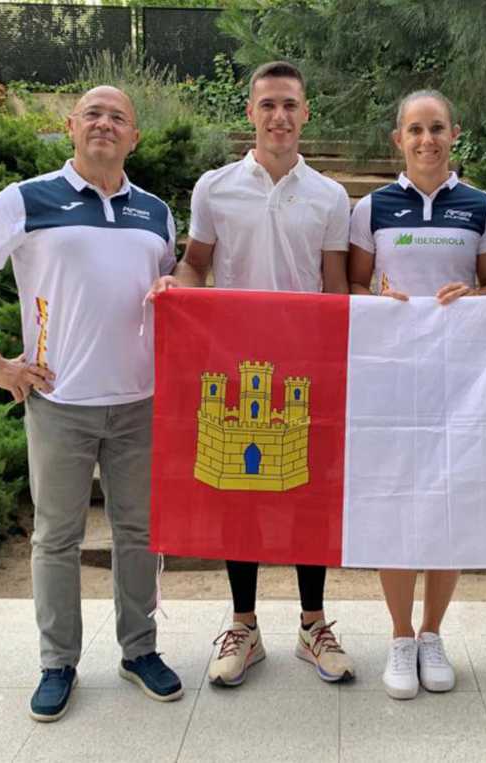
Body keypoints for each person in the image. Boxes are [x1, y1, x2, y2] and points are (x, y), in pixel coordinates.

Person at [0, 86, 183, 722]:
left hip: (140, 402)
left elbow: (170, 291)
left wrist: (172, 287)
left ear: (134, 137)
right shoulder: (27, 199)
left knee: (140, 533)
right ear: (70, 127)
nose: (105, 124)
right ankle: (57, 663)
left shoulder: (156, 213)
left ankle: (139, 652)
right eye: (93, 114)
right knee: (55, 537)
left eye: (118, 117)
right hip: (60, 401)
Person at [148, 61, 355, 687]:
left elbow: (337, 284)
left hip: (306, 365)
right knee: (238, 488)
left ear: (306, 112)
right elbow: (195, 265)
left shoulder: (331, 196)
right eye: (268, 104)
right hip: (232, 364)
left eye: (290, 105)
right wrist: (173, 290)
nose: (279, 116)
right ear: (250, 112)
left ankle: (312, 625)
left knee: (307, 491)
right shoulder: (214, 186)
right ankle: (244, 626)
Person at [346, 90, 486, 699]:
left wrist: (474, 299)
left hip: (461, 380)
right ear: (398, 139)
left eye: (436, 128)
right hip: (390, 376)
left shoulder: (480, 205)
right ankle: (399, 635)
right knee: (395, 503)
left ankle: (434, 633)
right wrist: (375, 303)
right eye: (415, 130)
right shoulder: (373, 207)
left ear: (454, 134)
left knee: (448, 504)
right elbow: (353, 286)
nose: (426, 140)